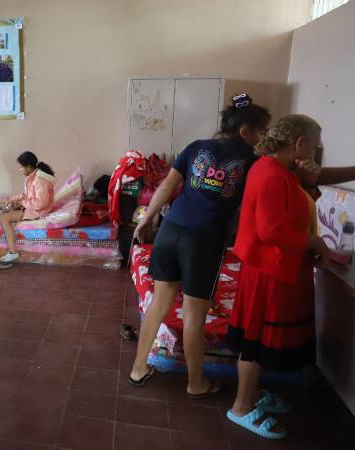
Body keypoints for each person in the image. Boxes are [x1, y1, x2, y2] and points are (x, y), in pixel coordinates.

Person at [129, 93, 271, 398]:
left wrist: (146, 219)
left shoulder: (196, 147)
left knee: (159, 303)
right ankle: (196, 384)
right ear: (245, 131)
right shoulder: (252, 161)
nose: (262, 138)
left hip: (170, 230)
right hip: (203, 240)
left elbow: (168, 186)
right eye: (261, 131)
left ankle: (138, 368)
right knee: (195, 314)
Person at [225, 115, 331, 439]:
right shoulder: (270, 173)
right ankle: (241, 407)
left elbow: (296, 211)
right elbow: (270, 230)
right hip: (267, 271)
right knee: (254, 343)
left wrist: (310, 185)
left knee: (257, 340)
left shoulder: (282, 171)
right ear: (299, 143)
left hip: (276, 268)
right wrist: (314, 241)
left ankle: (253, 394)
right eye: (314, 145)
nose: (316, 151)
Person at [0, 151, 56, 263]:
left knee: (4, 218)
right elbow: (26, 195)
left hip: (39, 210)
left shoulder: (39, 180)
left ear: (29, 167)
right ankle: (12, 210)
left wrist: (22, 203)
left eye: (21, 167)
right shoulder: (32, 177)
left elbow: (40, 204)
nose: (20, 169)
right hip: (33, 206)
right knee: (10, 207)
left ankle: (12, 252)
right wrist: (12, 199)